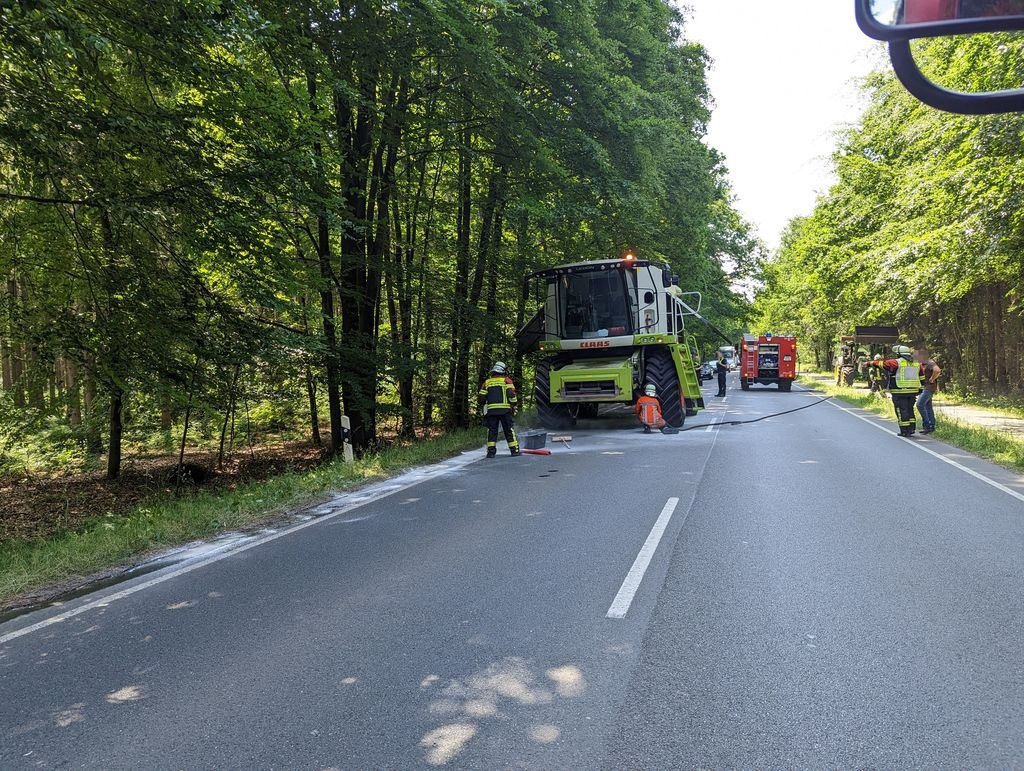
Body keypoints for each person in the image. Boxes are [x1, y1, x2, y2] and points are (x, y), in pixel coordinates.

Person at [864, 345, 922, 436]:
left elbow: (881, 364)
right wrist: (920, 389)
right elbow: (921, 377)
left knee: (901, 410)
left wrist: (868, 363)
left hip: (899, 392)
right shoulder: (916, 363)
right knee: (910, 410)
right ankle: (911, 429)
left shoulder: (896, 362)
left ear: (899, 354)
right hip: (913, 392)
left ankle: (904, 431)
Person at [478, 362, 520, 458]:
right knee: (508, 430)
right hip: (504, 410)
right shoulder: (507, 380)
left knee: (492, 431)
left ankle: (491, 452)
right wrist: (514, 403)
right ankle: (514, 451)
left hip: (491, 411)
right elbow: (511, 394)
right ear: (503, 371)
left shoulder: (487, 382)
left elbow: (481, 398)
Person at [915, 348, 942, 434]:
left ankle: (927, 425)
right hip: (924, 387)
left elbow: (937, 370)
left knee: (919, 404)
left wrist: (932, 378)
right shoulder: (922, 364)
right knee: (928, 407)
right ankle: (931, 426)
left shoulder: (930, 362)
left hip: (928, 388)